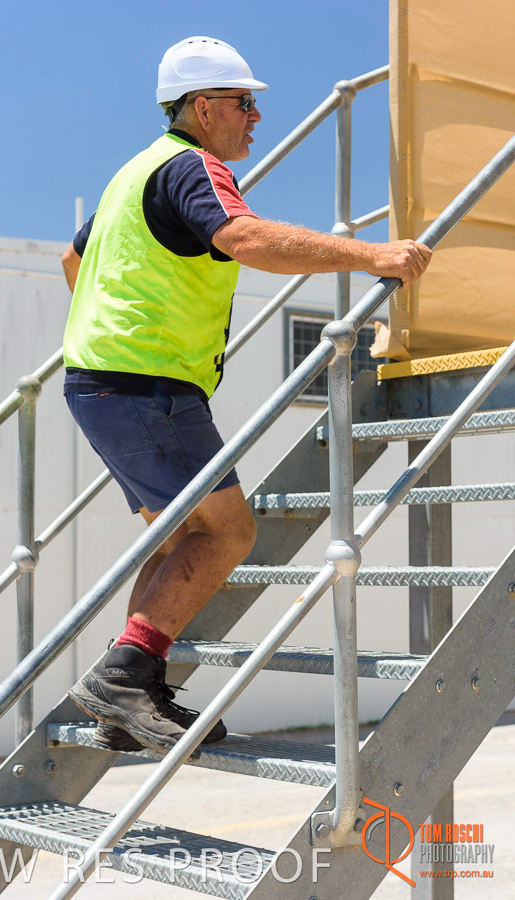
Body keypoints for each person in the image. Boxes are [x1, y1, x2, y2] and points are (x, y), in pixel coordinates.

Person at [62, 36, 432, 756]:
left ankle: (128, 695)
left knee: (181, 539)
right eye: (242, 102)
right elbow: (247, 239)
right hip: (147, 384)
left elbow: (74, 259)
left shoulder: (135, 172)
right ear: (202, 108)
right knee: (227, 533)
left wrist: (117, 319)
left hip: (104, 381)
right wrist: (373, 254)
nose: (256, 116)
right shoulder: (193, 167)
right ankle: (123, 677)